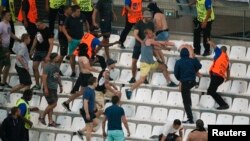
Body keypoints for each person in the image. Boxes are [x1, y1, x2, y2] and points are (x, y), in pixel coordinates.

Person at [62, 32, 118, 111]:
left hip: (84, 75)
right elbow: (88, 67)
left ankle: (68, 102)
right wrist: (98, 71)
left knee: (83, 92)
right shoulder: (84, 58)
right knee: (90, 91)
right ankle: (90, 107)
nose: (88, 49)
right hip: (86, 76)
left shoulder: (81, 56)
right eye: (87, 48)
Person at [126, 28, 177, 99]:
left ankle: (169, 82)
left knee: (163, 67)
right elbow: (158, 43)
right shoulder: (148, 40)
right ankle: (129, 90)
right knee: (142, 80)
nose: (152, 34)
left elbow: (156, 47)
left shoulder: (149, 42)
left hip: (151, 63)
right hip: (145, 64)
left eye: (152, 33)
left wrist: (166, 48)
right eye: (150, 33)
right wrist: (172, 44)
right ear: (147, 34)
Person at [174, 48, 202, 124]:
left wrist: (180, 79)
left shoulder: (178, 62)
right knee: (187, 96)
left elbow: (176, 73)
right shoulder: (192, 60)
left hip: (185, 83)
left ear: (181, 54)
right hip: (192, 81)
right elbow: (199, 66)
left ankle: (190, 119)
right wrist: (195, 58)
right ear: (188, 54)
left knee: (185, 102)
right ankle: (190, 105)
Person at [62, 5, 89, 77]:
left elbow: (86, 22)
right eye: (78, 11)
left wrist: (88, 31)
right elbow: (63, 28)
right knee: (72, 56)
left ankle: (82, 72)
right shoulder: (68, 18)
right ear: (73, 12)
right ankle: (73, 71)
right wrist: (67, 36)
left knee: (82, 56)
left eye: (79, 11)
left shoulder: (82, 16)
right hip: (72, 40)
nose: (79, 13)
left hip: (81, 39)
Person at [128, 10, 154, 84]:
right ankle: (133, 77)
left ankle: (144, 78)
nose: (150, 18)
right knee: (134, 62)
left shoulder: (151, 24)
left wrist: (150, 40)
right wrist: (141, 41)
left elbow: (153, 34)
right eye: (148, 17)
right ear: (145, 17)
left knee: (145, 63)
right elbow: (135, 34)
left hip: (146, 46)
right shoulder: (139, 23)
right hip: (138, 46)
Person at [5, 34, 31, 100]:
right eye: (29, 38)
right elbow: (19, 57)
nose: (30, 40)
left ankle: (25, 98)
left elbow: (15, 52)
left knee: (28, 83)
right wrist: (25, 66)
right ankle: (9, 93)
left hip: (19, 65)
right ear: (25, 39)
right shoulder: (23, 47)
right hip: (21, 67)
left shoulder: (19, 44)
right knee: (24, 84)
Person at [39, 53, 62, 127]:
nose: (59, 57)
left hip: (54, 88)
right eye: (57, 56)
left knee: (51, 105)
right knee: (53, 104)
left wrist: (60, 85)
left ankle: (50, 122)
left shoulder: (56, 66)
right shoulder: (47, 67)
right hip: (49, 88)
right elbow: (44, 78)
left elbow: (57, 76)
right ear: (54, 58)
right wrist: (45, 88)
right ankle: (42, 116)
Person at [76, 77, 102, 141]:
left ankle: (80, 132)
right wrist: (87, 113)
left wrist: (98, 103)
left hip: (90, 111)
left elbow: (92, 99)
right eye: (96, 82)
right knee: (89, 129)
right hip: (86, 112)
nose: (97, 83)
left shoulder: (92, 90)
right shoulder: (87, 91)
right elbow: (85, 103)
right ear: (93, 83)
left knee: (97, 122)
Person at [30, 21, 54, 90]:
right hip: (37, 51)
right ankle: (37, 84)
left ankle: (45, 86)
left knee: (45, 70)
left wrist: (48, 56)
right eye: (36, 25)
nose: (37, 27)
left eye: (38, 25)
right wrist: (31, 50)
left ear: (43, 24)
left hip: (45, 52)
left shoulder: (49, 31)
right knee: (34, 67)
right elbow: (35, 40)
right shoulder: (38, 30)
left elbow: (51, 44)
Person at [207, 39, 229, 110]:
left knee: (211, 91)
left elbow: (214, 46)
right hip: (220, 78)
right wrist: (228, 78)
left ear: (222, 50)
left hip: (216, 76)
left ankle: (224, 104)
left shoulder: (220, 53)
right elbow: (228, 70)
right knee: (211, 91)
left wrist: (210, 42)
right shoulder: (226, 59)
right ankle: (220, 103)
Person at [0, 10, 20, 88]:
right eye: (8, 15)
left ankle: (2, 81)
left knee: (1, 64)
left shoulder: (8, 24)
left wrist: (18, 39)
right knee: (7, 65)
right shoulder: (1, 25)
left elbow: (10, 34)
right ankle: (3, 82)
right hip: (3, 48)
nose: (10, 17)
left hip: (6, 47)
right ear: (4, 16)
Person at [58, 5, 72, 73]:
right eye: (70, 9)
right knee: (62, 53)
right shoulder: (62, 17)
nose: (71, 11)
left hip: (69, 37)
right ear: (66, 10)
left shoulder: (70, 18)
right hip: (63, 38)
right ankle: (57, 68)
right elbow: (60, 29)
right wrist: (69, 30)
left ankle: (68, 57)